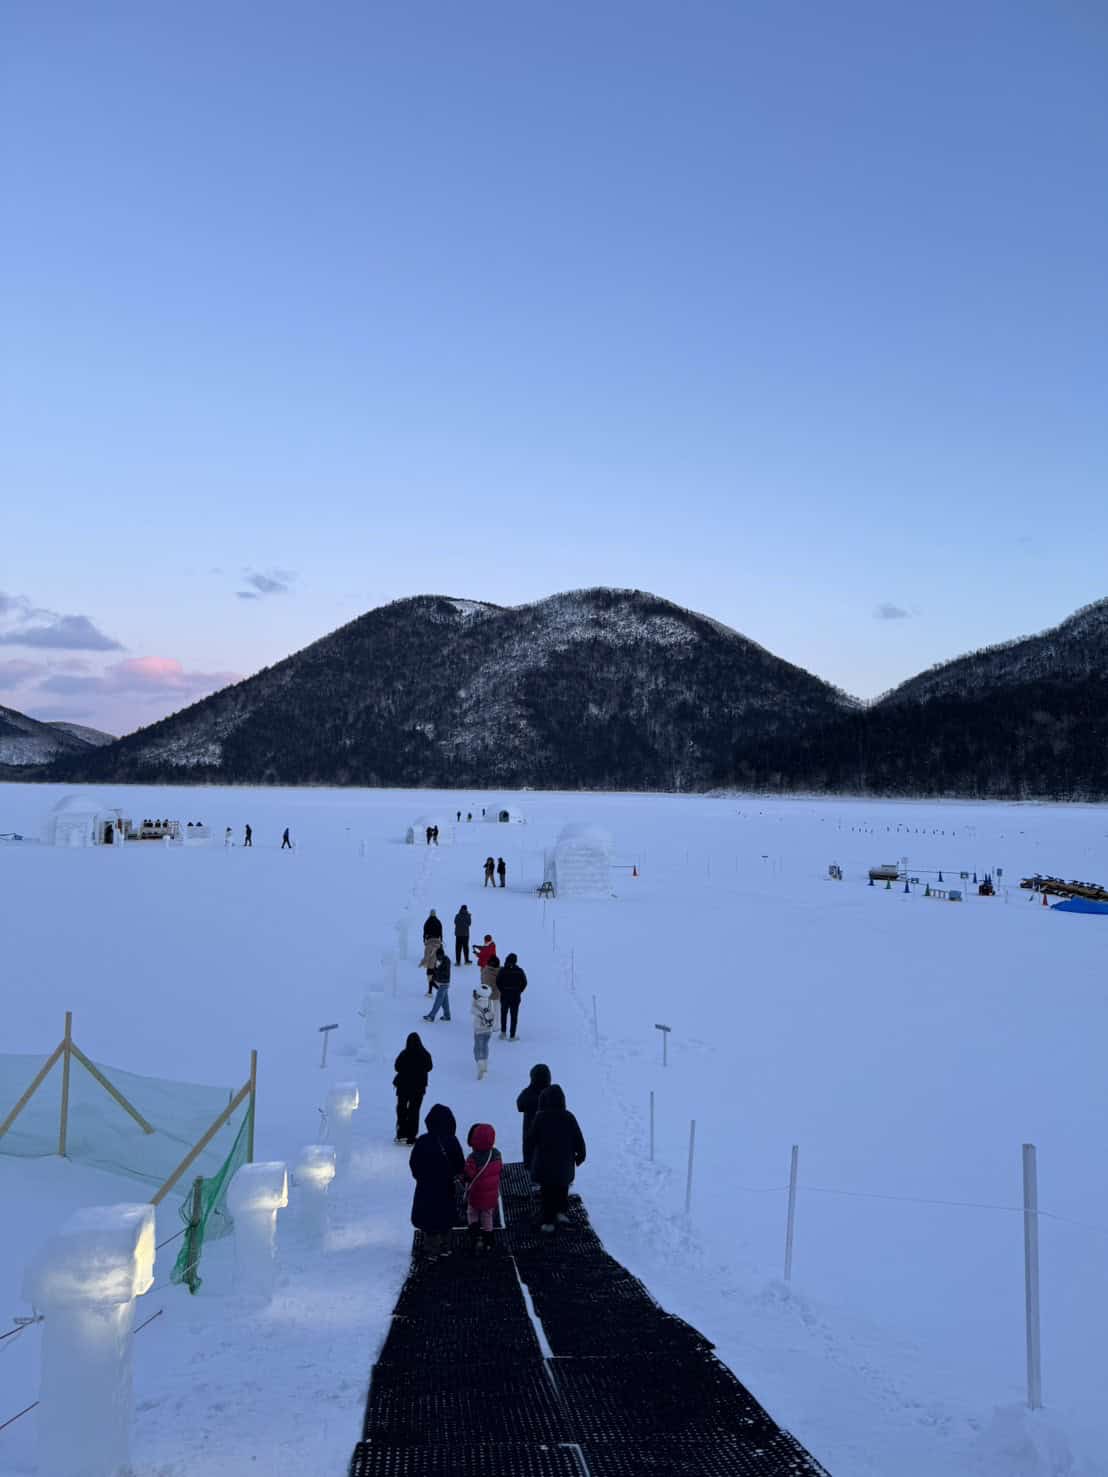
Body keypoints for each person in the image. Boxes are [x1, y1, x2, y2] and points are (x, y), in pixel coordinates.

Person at [529, 1084, 586, 1233]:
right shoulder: (569, 1117)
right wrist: (581, 1155)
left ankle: (548, 1221)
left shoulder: (540, 1117)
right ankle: (561, 1212)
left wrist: (530, 1157)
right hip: (564, 1167)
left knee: (547, 1193)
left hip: (544, 1167)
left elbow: (531, 1139)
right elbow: (578, 1139)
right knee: (562, 1188)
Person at [409, 1104, 464, 1259]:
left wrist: (421, 1178)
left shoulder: (422, 1141)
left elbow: (414, 1163)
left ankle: (431, 1250)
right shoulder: (452, 1141)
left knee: (429, 1220)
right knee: (446, 1217)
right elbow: (460, 1164)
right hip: (447, 1188)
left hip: (426, 1188)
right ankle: (446, 1247)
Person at [463, 1123, 502, 1252]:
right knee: (487, 1214)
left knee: (472, 1212)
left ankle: (475, 1236)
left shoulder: (472, 1158)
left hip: (476, 1194)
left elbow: (469, 1175)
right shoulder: (496, 1154)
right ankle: (489, 1239)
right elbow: (500, 1170)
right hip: (491, 1195)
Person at [393, 1032, 433, 1145]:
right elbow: (430, 1067)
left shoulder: (404, 1053)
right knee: (414, 1111)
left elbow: (397, 1067)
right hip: (418, 1088)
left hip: (403, 1087)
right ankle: (411, 1136)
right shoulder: (425, 1054)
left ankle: (401, 1133)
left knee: (401, 1109)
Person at [516, 1062, 552, 1166]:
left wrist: (530, 1087)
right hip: (549, 1137)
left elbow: (520, 1104)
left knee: (531, 1159)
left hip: (530, 1136)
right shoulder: (552, 1093)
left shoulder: (529, 1094)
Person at [495, 952, 527, 1040]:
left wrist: (502, 990)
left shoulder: (502, 970)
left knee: (503, 1014)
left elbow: (497, 982)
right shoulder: (519, 971)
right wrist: (519, 991)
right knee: (514, 1016)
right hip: (515, 996)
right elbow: (524, 982)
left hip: (504, 996)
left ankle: (503, 1033)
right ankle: (512, 1035)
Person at [471, 982, 495, 1079]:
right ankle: (485, 1063)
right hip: (489, 1029)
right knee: (485, 1046)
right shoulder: (490, 1002)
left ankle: (480, 1064)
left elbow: (472, 1011)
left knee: (477, 1048)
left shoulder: (476, 1003)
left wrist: (474, 1000)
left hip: (479, 1029)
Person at [424, 948, 452, 1022]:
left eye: (438, 956)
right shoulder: (442, 960)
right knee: (445, 1001)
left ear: (441, 955)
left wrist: (437, 969)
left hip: (444, 983)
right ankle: (447, 1015)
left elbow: (443, 972)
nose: (437, 957)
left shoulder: (446, 961)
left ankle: (431, 1016)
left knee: (438, 1001)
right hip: (443, 983)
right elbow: (437, 970)